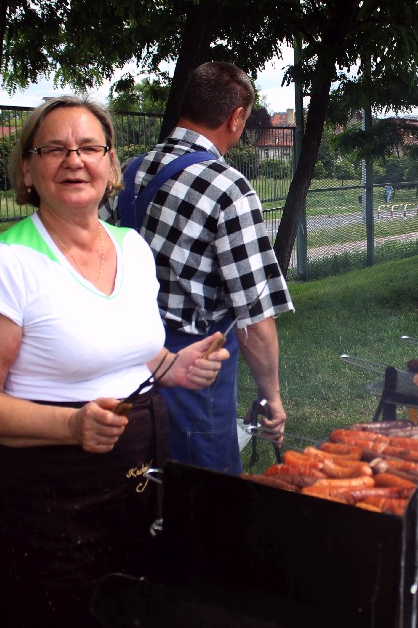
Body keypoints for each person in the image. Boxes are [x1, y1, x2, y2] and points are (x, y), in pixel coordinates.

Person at [0, 97, 230, 626]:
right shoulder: (4, 265)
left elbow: (134, 349)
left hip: (142, 473)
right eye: (53, 149)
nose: (74, 160)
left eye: (89, 147)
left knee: (140, 604)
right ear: (27, 170)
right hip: (54, 492)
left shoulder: (133, 248)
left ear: (111, 164)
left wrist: (172, 367)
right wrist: (71, 424)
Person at [102, 61, 293, 474]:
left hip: (128, 365)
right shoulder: (229, 189)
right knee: (206, 503)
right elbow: (255, 320)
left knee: (142, 485)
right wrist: (272, 397)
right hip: (193, 374)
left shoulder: (127, 174)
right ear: (235, 117)